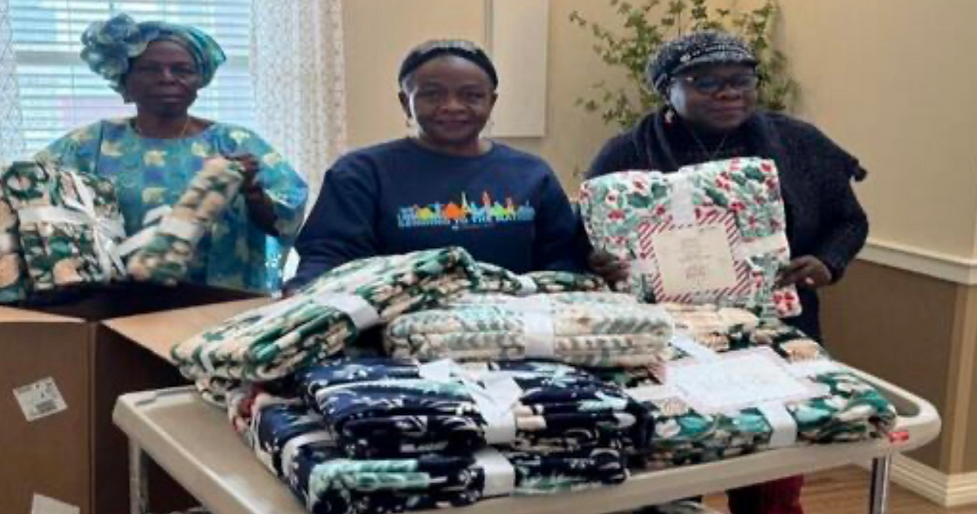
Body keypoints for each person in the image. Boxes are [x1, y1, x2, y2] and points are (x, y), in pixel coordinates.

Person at [585, 31, 869, 514]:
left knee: (774, 469)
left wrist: (828, 262)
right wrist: (598, 260)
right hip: (667, 342)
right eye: (707, 82)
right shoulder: (625, 152)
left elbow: (849, 219)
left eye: (742, 80)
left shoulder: (799, 143)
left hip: (777, 334)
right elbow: (588, 234)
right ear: (667, 88)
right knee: (676, 461)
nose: (729, 92)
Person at [37, 14, 308, 293]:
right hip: (118, 302)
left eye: (182, 70)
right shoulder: (90, 144)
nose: (167, 79)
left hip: (221, 301)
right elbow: (30, 194)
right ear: (124, 78)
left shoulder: (235, 143)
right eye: (150, 69)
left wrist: (252, 190)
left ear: (198, 80)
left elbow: (284, 220)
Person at [288, 39, 581, 291]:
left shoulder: (532, 174)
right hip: (392, 337)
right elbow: (328, 259)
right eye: (432, 94)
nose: (452, 105)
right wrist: (304, 292)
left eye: (472, 95)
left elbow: (564, 261)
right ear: (405, 103)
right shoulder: (360, 173)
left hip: (517, 332)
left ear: (491, 102)